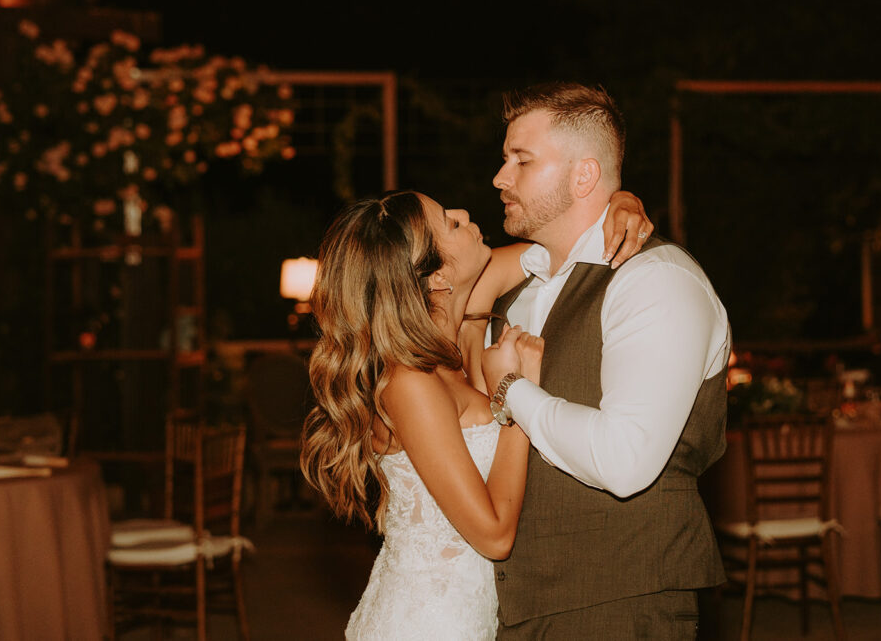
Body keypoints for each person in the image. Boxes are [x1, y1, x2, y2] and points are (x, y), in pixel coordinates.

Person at [299, 189, 652, 639]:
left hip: (472, 619)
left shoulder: (460, 329)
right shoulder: (410, 384)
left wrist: (620, 203)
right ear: (437, 278)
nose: (464, 213)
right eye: (448, 222)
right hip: (429, 624)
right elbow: (494, 535)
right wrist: (516, 391)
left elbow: (567, 245)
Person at [481, 82, 731, 639]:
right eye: (504, 160)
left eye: (521, 160)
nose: (500, 178)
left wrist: (512, 390)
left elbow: (625, 461)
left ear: (584, 176)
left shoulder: (656, 279)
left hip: (621, 601)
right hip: (516, 606)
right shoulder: (522, 288)